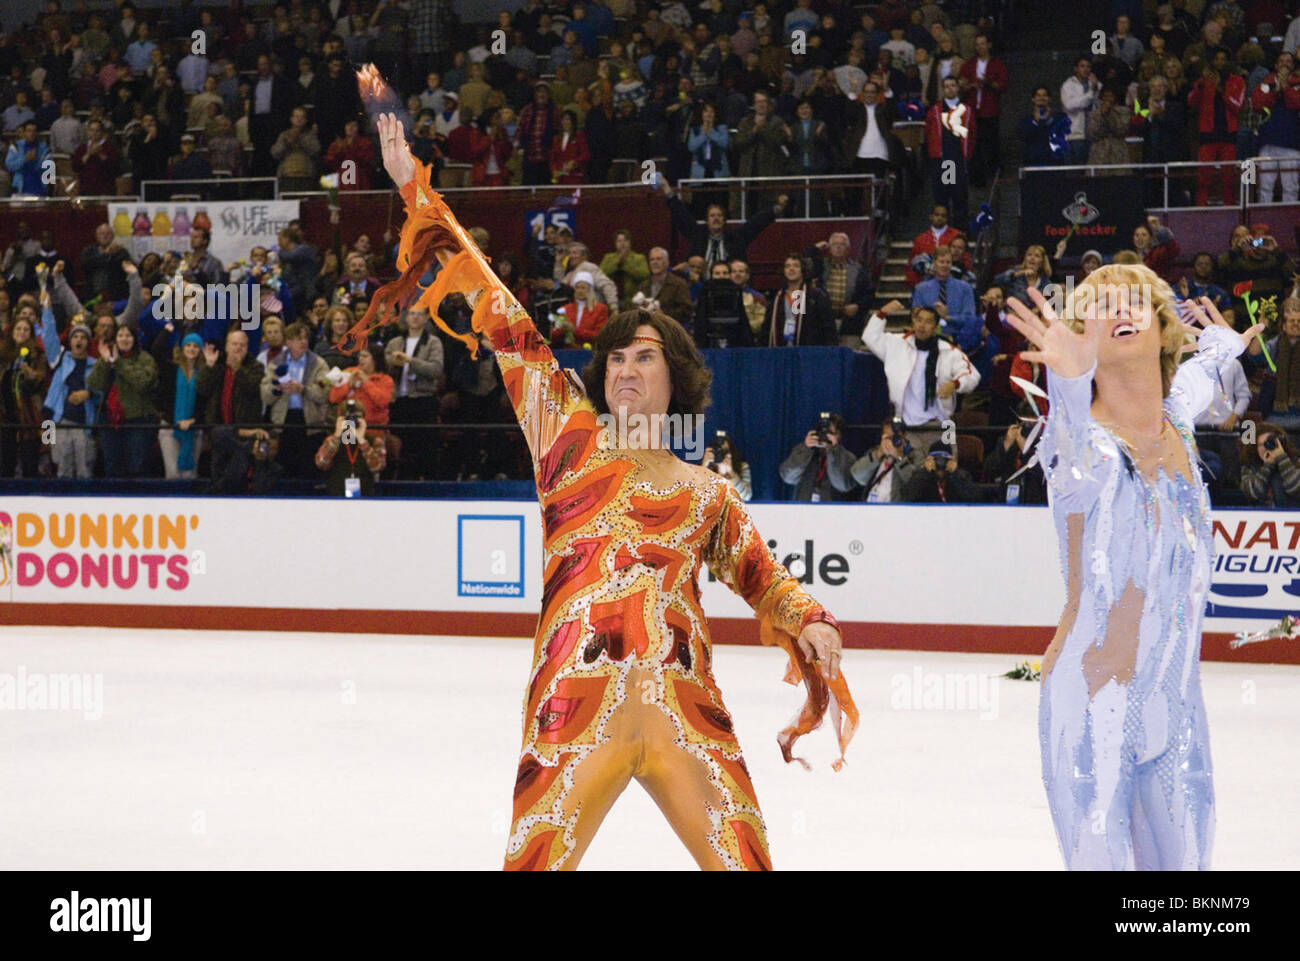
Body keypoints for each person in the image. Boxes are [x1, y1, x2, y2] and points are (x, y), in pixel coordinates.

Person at [362, 108, 855, 870]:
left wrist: (812, 620)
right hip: (574, 703)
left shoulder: (707, 493)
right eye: (616, 356)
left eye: (645, 357)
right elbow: (500, 312)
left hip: (684, 710)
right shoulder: (566, 436)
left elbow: (765, 577)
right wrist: (418, 195)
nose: (625, 368)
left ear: (677, 379)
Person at [1004, 266, 1264, 870]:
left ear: (1164, 328)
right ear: (1081, 336)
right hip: (1093, 713)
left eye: (1137, 302)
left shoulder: (1176, 417)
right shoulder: (1082, 446)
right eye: (1100, 305)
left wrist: (1230, 343)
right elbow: (1067, 460)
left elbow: (1205, 371)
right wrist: (1068, 388)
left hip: (1178, 714)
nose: (1121, 310)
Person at [862, 301, 980, 451]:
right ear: (913, 321)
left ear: (936, 327)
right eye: (919, 320)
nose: (922, 325)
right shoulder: (896, 344)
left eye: (928, 321)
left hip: (943, 423)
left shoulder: (949, 351)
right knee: (908, 470)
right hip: (906, 425)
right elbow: (869, 337)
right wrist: (882, 313)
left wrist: (955, 384)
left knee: (948, 464)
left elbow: (972, 375)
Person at [196, 329, 267, 494]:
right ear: (227, 347)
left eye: (242, 345)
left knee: (238, 476)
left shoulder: (256, 367)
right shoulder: (217, 365)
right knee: (218, 474)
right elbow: (202, 389)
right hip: (219, 431)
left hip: (244, 431)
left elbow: (252, 388)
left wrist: (238, 369)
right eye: (234, 344)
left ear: (248, 348)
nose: (238, 348)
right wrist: (209, 367)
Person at [86, 322, 158, 477]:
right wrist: (104, 362)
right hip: (109, 419)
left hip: (138, 419)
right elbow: (93, 383)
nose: (124, 339)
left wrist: (118, 363)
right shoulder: (109, 358)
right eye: (120, 335)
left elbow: (143, 382)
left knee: (137, 466)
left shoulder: (145, 358)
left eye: (128, 335)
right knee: (112, 466)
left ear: (135, 338)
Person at [385, 305, 444, 481]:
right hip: (399, 399)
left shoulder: (433, 342)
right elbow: (384, 366)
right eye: (412, 314)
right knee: (403, 445)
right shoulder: (395, 342)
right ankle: (404, 481)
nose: (415, 318)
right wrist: (393, 362)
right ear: (406, 318)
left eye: (419, 314)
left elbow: (436, 369)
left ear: (426, 318)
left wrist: (411, 361)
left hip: (423, 399)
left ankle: (427, 481)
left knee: (425, 445)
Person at [152, 330, 205, 479]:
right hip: (170, 426)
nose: (191, 349)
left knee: (190, 474)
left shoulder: (203, 373)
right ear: (182, 348)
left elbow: (205, 402)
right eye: (188, 345)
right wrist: (166, 331)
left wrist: (193, 420)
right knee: (173, 473)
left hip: (194, 428)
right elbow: (156, 350)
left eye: (195, 346)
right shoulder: (171, 370)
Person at [925, 76, 974, 226]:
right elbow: (928, 133)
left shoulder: (967, 110)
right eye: (946, 86)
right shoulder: (935, 110)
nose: (950, 88)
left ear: (958, 88)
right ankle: (944, 230)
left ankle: (960, 231)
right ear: (943, 89)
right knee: (943, 196)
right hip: (944, 160)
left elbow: (973, 135)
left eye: (953, 85)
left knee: (959, 196)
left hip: (958, 159)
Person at [759, 254, 837, 346]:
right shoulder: (777, 298)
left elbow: (828, 328)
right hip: (782, 350)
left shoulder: (815, 296)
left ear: (803, 270)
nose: (791, 269)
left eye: (796, 266)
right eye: (788, 266)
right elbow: (766, 328)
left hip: (808, 350)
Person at [778, 413, 858, 500]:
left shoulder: (848, 457)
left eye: (830, 433)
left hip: (831, 510)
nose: (825, 436)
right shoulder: (804, 451)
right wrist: (806, 448)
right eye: (822, 432)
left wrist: (833, 451)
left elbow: (842, 485)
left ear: (839, 435)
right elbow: (787, 477)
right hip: (803, 507)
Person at [316, 403, 387, 495]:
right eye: (348, 418)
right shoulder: (332, 440)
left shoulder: (374, 441)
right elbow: (321, 463)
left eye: (356, 418)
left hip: (365, 496)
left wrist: (362, 441)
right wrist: (337, 435)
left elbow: (377, 467)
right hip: (336, 496)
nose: (352, 422)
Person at [851, 417, 924, 503]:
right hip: (871, 508)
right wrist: (878, 454)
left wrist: (900, 458)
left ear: (905, 436)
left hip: (897, 509)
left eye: (896, 437)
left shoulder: (916, 454)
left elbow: (918, 486)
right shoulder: (876, 453)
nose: (892, 441)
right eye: (888, 437)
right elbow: (857, 475)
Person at [692, 261, 752, 348]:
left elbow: (742, 318)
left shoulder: (736, 290)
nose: (721, 276)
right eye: (717, 273)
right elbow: (700, 319)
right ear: (711, 275)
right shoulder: (705, 291)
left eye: (725, 273)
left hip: (735, 338)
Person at [1240, 422, 1300, 505]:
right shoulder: (1249, 466)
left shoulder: (1296, 461)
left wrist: (1282, 458)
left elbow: (1295, 488)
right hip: (1259, 516)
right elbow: (1252, 493)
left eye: (1271, 444)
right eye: (1262, 445)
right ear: (1255, 448)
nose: (1266, 448)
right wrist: (1268, 465)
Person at [902, 440, 980, 502]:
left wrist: (954, 474)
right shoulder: (920, 476)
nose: (940, 463)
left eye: (944, 459)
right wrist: (926, 472)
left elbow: (974, 498)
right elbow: (908, 497)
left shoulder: (962, 476)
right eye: (936, 459)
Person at [634, 246, 693, 325]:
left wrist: (663, 314)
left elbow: (686, 311)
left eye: (659, 259)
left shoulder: (679, 284)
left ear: (667, 262)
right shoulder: (643, 286)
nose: (655, 262)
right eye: (652, 259)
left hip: (670, 329)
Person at [598, 230, 649, 309]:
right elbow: (601, 274)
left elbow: (645, 275)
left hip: (632, 301)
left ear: (630, 242)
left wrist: (625, 264)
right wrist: (617, 264)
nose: (622, 244)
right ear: (615, 243)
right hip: (611, 299)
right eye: (619, 241)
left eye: (625, 240)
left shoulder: (639, 258)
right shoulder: (608, 258)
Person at [700, 430, 752, 500]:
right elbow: (696, 494)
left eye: (724, 451)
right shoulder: (706, 468)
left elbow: (746, 497)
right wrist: (703, 467)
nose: (721, 454)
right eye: (718, 451)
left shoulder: (742, 466)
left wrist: (731, 473)